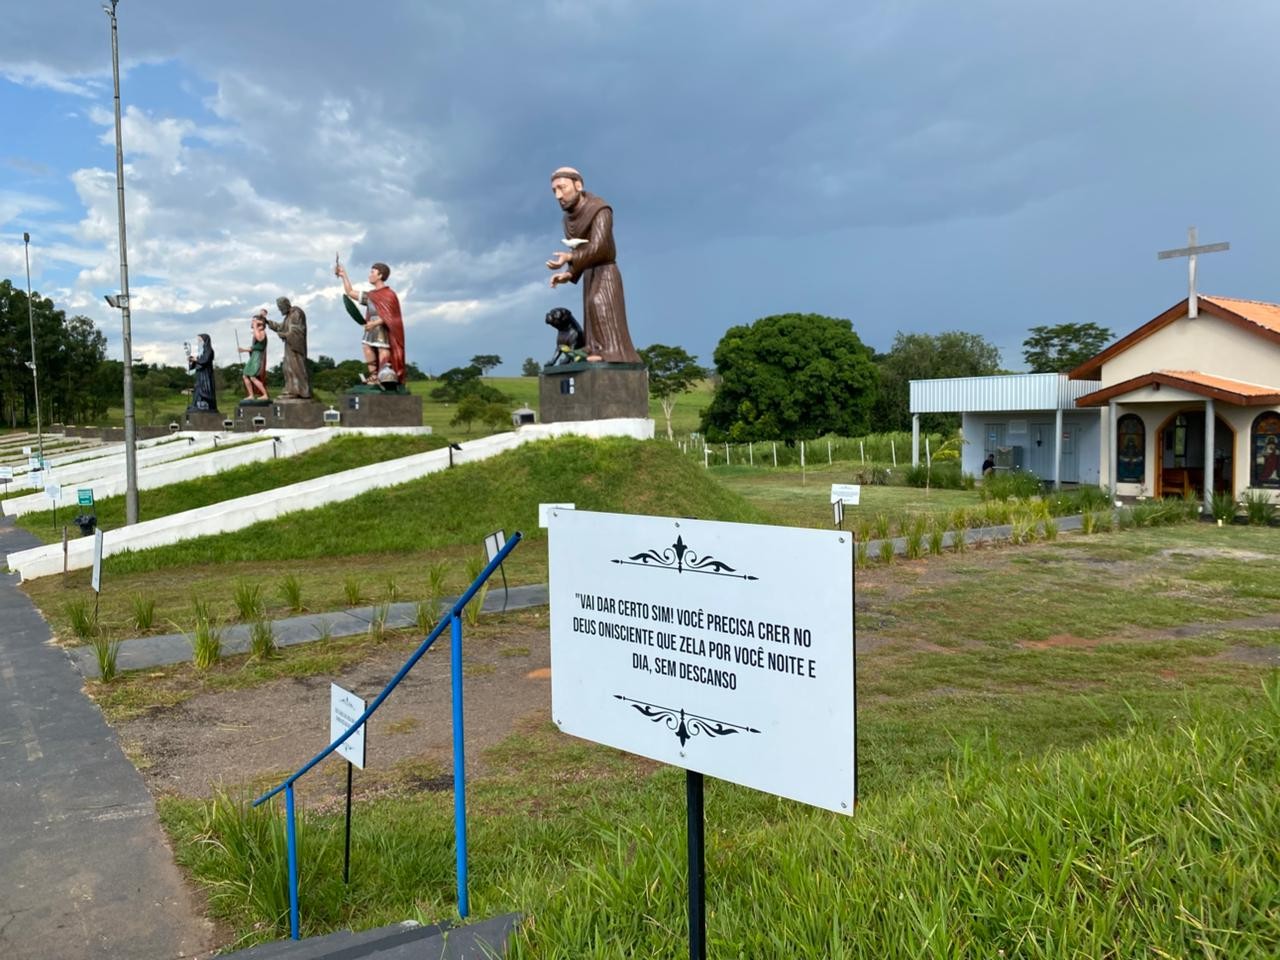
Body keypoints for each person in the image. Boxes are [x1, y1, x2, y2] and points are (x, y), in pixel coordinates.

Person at [544, 167, 640, 363]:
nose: (558, 196)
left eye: (562, 188)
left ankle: (612, 352)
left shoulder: (599, 209)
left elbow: (601, 247)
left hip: (606, 269)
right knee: (590, 310)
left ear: (578, 185)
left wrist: (570, 257)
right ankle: (595, 348)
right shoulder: (568, 218)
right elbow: (583, 251)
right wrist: (570, 274)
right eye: (554, 191)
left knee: (599, 303)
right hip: (589, 272)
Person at [337, 261, 406, 386]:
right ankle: (374, 375)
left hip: (382, 327)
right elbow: (350, 292)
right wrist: (343, 275)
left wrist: (375, 324)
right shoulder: (371, 295)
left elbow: (392, 316)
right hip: (371, 327)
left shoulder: (389, 294)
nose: (370, 275)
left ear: (380, 275)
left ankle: (384, 374)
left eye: (372, 272)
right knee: (366, 347)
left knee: (382, 347)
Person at [266, 297, 311, 399]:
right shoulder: (288, 317)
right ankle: (291, 389)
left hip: (296, 348)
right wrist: (268, 322)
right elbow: (281, 327)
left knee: (296, 367)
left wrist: (285, 335)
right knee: (287, 368)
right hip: (289, 347)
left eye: (280, 307)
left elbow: (297, 330)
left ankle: (300, 391)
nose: (279, 310)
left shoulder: (296, 313)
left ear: (285, 304)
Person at [238, 309, 269, 400]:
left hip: (258, 356)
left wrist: (255, 326)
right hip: (254, 355)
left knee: (253, 377)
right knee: (245, 375)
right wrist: (243, 350)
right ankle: (251, 395)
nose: (252, 323)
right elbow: (254, 347)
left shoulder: (261, 332)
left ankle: (265, 395)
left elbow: (259, 339)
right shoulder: (256, 333)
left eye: (254, 321)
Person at [187, 333, 217, 411]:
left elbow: (205, 360)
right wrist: (191, 361)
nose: (198, 343)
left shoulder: (209, 350)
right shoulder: (201, 352)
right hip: (199, 374)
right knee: (197, 388)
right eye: (198, 341)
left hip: (206, 375)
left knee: (204, 389)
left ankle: (205, 405)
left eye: (200, 340)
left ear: (205, 341)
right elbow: (195, 364)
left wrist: (195, 359)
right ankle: (196, 404)